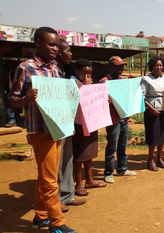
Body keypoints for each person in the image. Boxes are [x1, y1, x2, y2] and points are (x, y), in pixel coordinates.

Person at [8, 27, 76, 233]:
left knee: (47, 175)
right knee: (49, 179)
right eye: (51, 45)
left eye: (57, 45)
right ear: (38, 43)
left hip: (56, 129)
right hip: (40, 131)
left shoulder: (55, 68)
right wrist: (25, 99)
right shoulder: (26, 68)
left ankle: (41, 215)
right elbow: (12, 100)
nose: (55, 49)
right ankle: (56, 223)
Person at [56, 39, 86, 211]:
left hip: (66, 121)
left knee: (67, 159)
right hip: (52, 125)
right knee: (56, 163)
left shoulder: (61, 71)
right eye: (68, 50)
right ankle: (55, 198)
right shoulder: (49, 72)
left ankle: (67, 195)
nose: (71, 54)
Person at [71, 59, 107, 195]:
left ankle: (90, 180)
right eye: (85, 73)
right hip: (78, 123)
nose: (88, 76)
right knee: (79, 153)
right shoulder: (72, 82)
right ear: (76, 72)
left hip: (91, 121)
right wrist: (86, 88)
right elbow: (74, 101)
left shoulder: (87, 83)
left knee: (89, 151)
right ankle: (79, 184)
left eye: (90, 73)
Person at [100, 56, 137, 183]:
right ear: (110, 67)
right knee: (112, 146)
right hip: (112, 120)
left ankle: (122, 168)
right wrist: (106, 101)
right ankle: (108, 172)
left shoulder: (122, 81)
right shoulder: (103, 83)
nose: (121, 68)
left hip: (124, 119)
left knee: (122, 145)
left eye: (122, 66)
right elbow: (98, 103)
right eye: (118, 66)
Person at [141, 56, 164, 171]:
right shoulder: (146, 79)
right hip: (152, 111)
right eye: (156, 65)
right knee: (153, 136)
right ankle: (150, 161)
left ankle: (159, 159)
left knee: (162, 135)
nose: (159, 67)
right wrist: (152, 109)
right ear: (152, 67)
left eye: (161, 65)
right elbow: (142, 97)